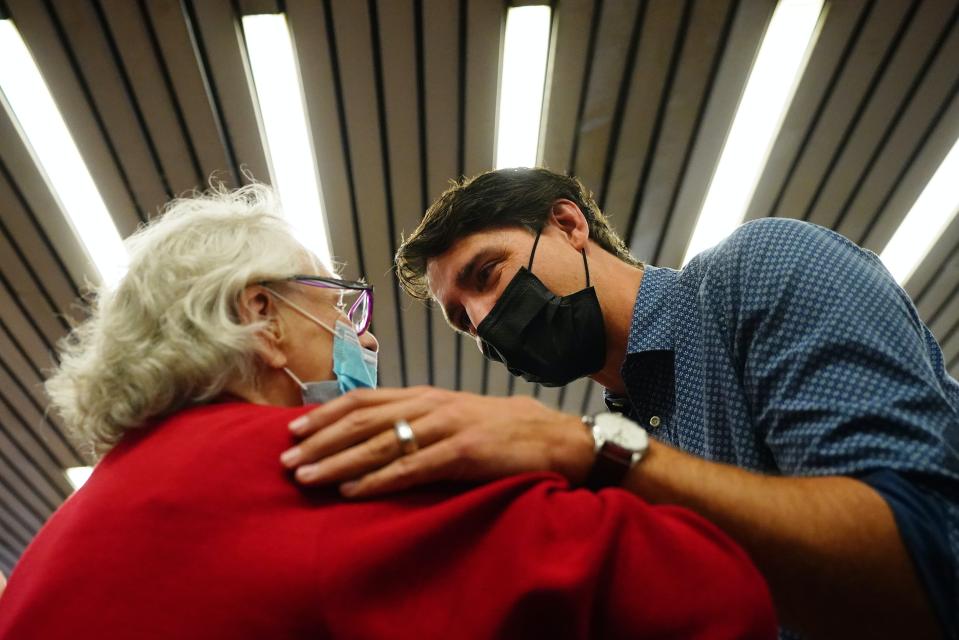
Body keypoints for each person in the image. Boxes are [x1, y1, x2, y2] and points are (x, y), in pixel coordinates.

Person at [0, 184, 777, 639]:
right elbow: (714, 593)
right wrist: (583, 449)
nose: (358, 333)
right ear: (261, 318)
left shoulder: (46, 559)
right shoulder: (343, 460)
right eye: (338, 303)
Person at [282, 168, 959, 639]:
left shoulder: (758, 270)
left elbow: (922, 577)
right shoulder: (624, 437)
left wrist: (589, 449)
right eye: (462, 321)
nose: (485, 321)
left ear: (569, 224)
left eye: (486, 275)